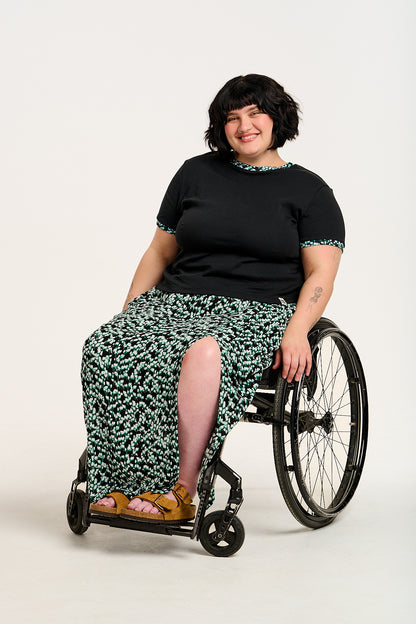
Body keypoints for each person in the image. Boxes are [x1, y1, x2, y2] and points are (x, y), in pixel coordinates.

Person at [81, 73, 345, 524]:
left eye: (255, 113)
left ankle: (183, 489)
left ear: (277, 118)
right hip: (176, 300)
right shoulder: (195, 173)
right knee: (105, 344)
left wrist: (298, 330)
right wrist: (130, 311)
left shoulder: (310, 191)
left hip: (258, 308)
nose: (244, 126)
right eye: (232, 117)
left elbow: (322, 271)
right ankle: (119, 483)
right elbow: (159, 251)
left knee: (204, 352)